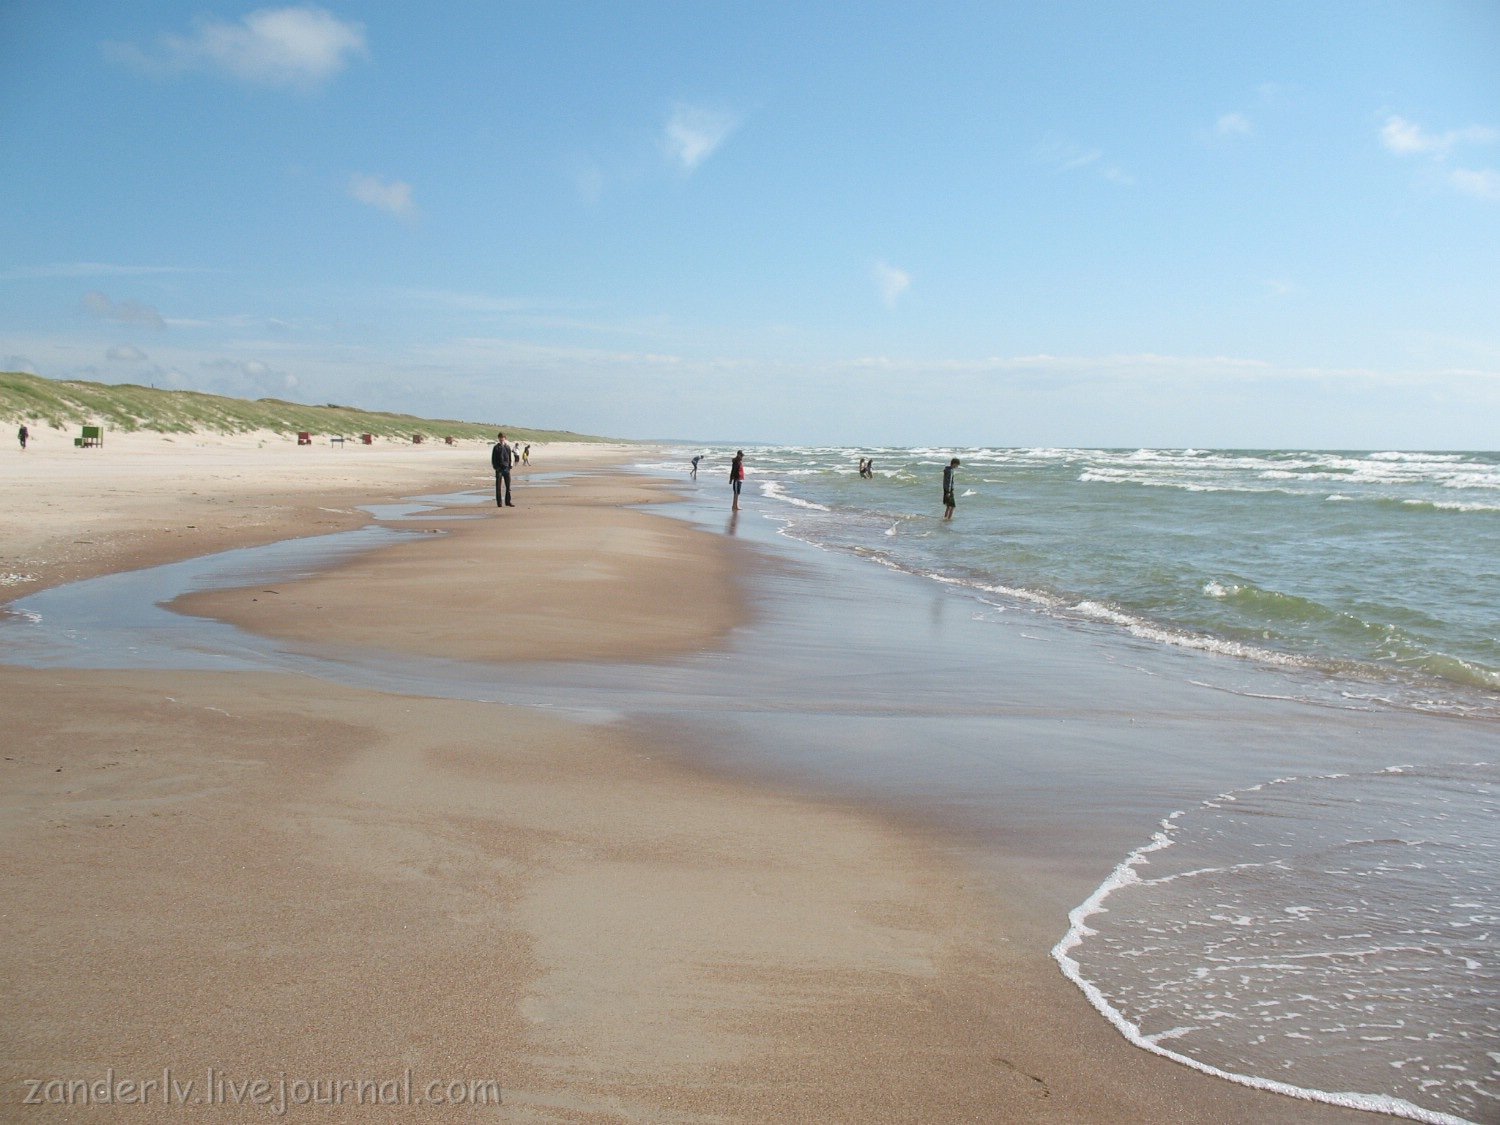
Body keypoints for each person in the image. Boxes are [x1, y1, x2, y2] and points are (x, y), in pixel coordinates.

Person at [491, 431, 514, 507]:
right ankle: (499, 503)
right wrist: (496, 468)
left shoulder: (507, 447)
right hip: (499, 469)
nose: (501, 439)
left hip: (506, 469)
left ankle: (508, 502)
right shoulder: (496, 447)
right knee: (498, 487)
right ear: (498, 438)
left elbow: (509, 457)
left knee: (508, 487)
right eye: (500, 438)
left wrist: (510, 466)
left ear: (505, 438)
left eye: (503, 438)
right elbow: (493, 459)